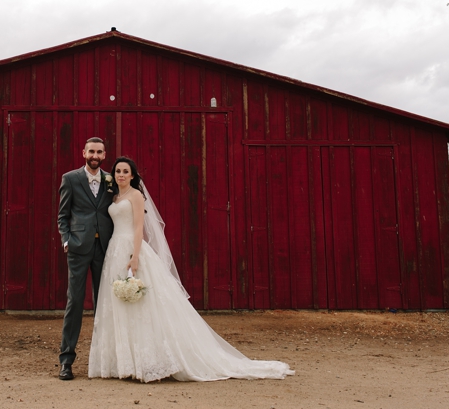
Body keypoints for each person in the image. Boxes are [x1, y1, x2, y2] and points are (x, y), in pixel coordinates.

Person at [88, 156, 295, 382]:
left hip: (130, 249)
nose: (120, 175)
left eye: (125, 171)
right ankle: (124, 362)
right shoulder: (116, 196)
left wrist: (135, 256)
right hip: (113, 251)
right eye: (118, 171)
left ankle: (150, 360)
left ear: (133, 175)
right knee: (119, 305)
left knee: (143, 305)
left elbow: (139, 228)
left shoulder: (136, 196)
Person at [57, 137, 115, 380]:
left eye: (99, 152)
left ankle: (106, 359)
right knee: (75, 303)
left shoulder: (111, 180)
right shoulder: (70, 179)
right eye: (91, 151)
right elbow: (63, 215)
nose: (95, 155)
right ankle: (66, 360)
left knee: (107, 305)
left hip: (105, 248)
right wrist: (67, 240)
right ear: (83, 153)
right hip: (79, 248)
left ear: (104, 155)